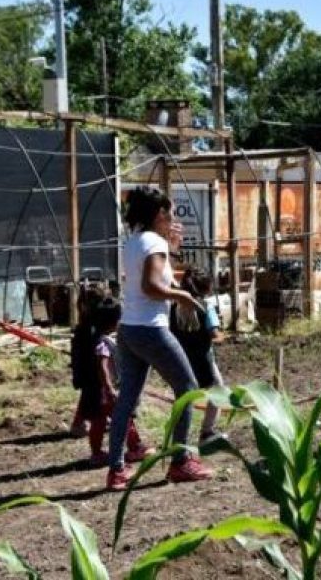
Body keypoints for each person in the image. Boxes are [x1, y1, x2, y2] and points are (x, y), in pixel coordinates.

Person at [106, 187, 212, 491]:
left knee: (127, 398)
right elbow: (153, 286)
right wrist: (183, 297)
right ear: (159, 214)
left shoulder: (135, 242)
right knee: (188, 387)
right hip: (151, 329)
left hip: (128, 328)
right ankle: (180, 462)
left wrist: (172, 248)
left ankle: (116, 470)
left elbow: (154, 279)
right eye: (170, 213)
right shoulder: (153, 243)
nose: (173, 219)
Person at [71, 297, 153, 467]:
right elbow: (103, 365)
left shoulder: (93, 336)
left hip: (96, 390)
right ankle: (135, 447)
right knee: (125, 418)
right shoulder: (104, 343)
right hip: (107, 391)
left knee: (98, 423)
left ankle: (96, 454)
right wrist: (109, 387)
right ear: (114, 321)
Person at [170, 267, 226, 446]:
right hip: (203, 359)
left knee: (184, 397)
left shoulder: (174, 308)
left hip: (181, 359)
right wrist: (222, 335)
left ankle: (177, 437)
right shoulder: (206, 307)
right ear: (207, 288)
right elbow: (215, 334)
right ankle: (207, 432)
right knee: (218, 392)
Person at [69, 284, 106, 439]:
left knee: (90, 396)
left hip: (87, 370)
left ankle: (84, 422)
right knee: (89, 397)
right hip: (89, 371)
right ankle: (78, 424)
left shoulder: (87, 326)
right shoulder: (88, 328)